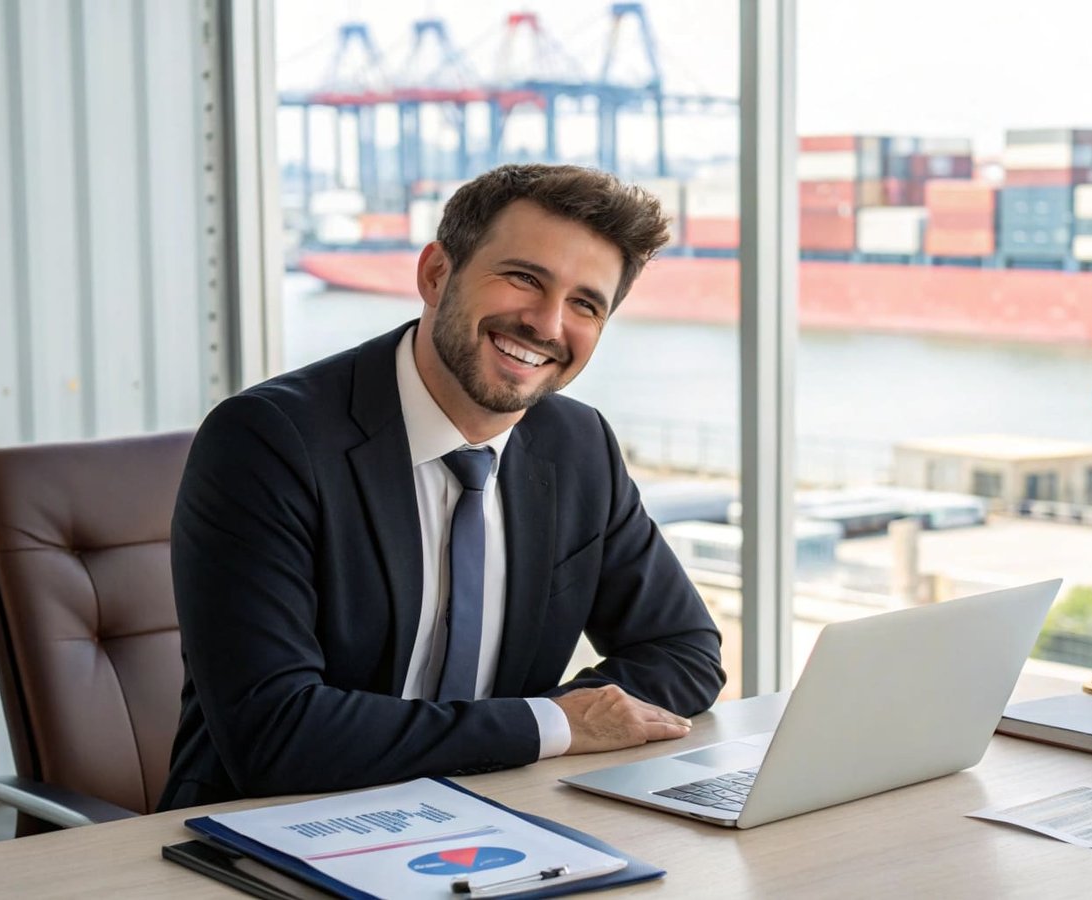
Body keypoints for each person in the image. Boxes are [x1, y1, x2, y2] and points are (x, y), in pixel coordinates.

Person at [159, 164, 726, 810]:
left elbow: (686, 650)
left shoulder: (578, 447)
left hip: (496, 818)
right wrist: (555, 723)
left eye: (584, 305)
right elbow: (275, 734)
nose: (546, 323)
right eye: (523, 278)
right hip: (268, 832)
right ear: (435, 274)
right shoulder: (267, 442)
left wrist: (545, 730)